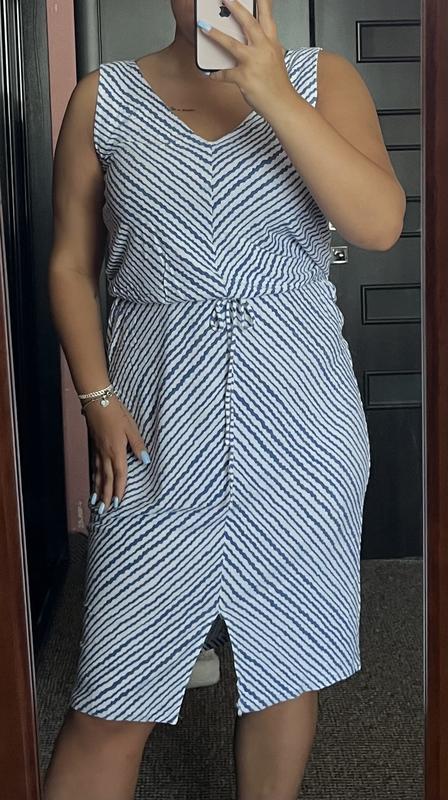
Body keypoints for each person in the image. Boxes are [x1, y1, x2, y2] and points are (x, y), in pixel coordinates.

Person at [43, 0, 406, 798]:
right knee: (110, 697)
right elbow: (69, 262)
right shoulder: (103, 98)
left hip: (301, 429)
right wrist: (96, 398)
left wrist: (271, 90)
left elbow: (379, 224)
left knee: (287, 668)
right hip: (156, 429)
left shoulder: (323, 80)